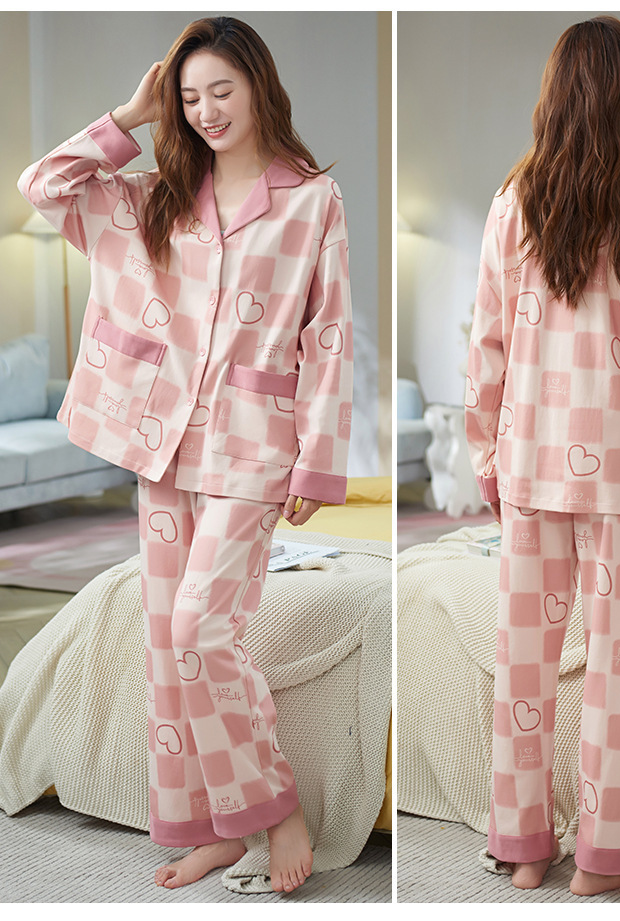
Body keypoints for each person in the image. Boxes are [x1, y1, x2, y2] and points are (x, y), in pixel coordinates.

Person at [19, 16, 353, 894]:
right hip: (161, 441)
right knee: (168, 644)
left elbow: (328, 337)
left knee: (201, 627)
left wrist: (317, 460)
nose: (206, 110)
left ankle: (274, 806)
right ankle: (212, 830)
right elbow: (42, 185)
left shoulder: (311, 199)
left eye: (221, 90)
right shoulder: (153, 194)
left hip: (252, 446)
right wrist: (129, 117)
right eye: (190, 96)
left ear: (259, 87)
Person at [464, 16, 620, 897]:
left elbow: (485, 347)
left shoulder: (511, 203)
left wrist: (486, 457)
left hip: (531, 462)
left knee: (522, 666)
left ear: (554, 100)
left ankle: (524, 845)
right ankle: (605, 858)